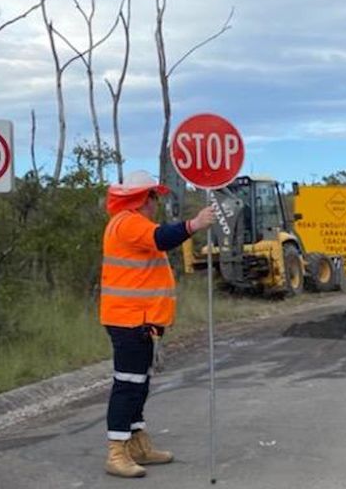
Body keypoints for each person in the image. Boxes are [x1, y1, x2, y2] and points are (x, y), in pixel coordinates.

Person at [99, 170, 216, 478]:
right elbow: (161, 238)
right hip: (129, 319)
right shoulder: (128, 222)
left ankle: (137, 445)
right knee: (127, 385)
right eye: (152, 197)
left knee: (139, 384)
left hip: (140, 319)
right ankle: (117, 452)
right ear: (140, 199)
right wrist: (195, 224)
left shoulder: (129, 222)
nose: (155, 203)